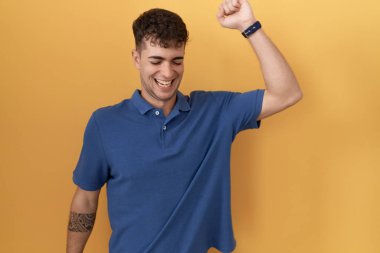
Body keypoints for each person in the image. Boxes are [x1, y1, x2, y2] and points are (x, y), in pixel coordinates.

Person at [66, 0, 302, 252]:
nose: (167, 73)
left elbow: (287, 93)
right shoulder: (105, 123)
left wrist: (248, 26)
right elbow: (86, 198)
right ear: (136, 58)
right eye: (156, 61)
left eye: (176, 61)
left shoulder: (216, 112)